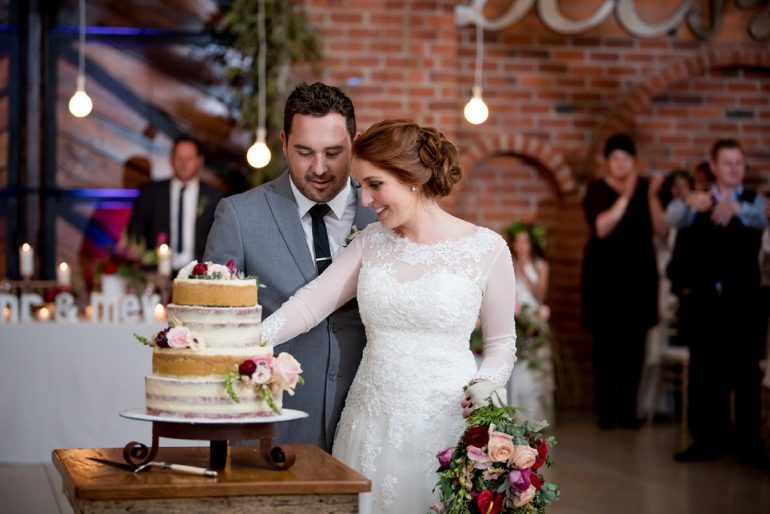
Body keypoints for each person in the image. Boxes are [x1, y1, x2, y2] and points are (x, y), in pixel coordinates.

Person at [260, 119, 517, 513]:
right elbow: (309, 305)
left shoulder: (488, 249)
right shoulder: (370, 244)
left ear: (411, 178)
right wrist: (245, 340)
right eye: (361, 186)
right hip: (369, 423)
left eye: (374, 185)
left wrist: (486, 382)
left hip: (446, 422)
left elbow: (501, 345)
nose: (365, 200)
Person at [204, 82, 377, 451]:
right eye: (304, 152)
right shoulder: (239, 216)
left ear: (355, 143)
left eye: (333, 153)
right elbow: (214, 327)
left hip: (369, 429)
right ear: (284, 143)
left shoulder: (383, 214)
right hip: (272, 428)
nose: (319, 168)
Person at [667, 139, 768, 466]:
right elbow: (673, 218)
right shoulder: (698, 201)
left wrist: (739, 210)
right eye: (728, 163)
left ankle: (749, 443)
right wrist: (688, 200)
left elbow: (762, 220)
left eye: (739, 163)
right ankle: (706, 439)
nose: (735, 169)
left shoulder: (754, 202)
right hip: (706, 302)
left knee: (746, 374)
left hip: (744, 303)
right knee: (704, 373)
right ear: (714, 167)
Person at [581, 133, 667, 430]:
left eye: (626, 159)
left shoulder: (647, 189)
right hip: (604, 282)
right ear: (606, 161)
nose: (621, 164)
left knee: (634, 347)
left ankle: (629, 410)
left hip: (638, 281)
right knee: (605, 348)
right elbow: (601, 228)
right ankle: (606, 410)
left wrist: (652, 196)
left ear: (634, 161)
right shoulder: (596, 189)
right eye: (615, 158)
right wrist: (627, 196)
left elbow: (662, 229)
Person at [127, 135, 222, 273]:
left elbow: (219, 238)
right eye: (179, 158)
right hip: (156, 272)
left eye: (189, 158)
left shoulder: (214, 196)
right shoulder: (151, 192)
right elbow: (136, 231)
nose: (184, 163)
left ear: (199, 161)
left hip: (200, 274)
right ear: (171, 160)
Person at [506, 223, 555, 422]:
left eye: (525, 241)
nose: (521, 246)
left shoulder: (540, 265)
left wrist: (524, 272)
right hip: (515, 321)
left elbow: (540, 295)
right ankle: (515, 416)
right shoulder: (508, 263)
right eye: (517, 241)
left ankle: (536, 417)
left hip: (534, 320)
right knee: (516, 370)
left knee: (535, 369)